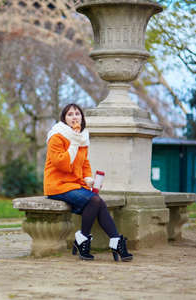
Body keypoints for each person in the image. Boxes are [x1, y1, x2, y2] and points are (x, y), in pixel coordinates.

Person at [43, 103, 133, 262]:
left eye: (77, 114)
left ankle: (105, 240)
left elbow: (84, 164)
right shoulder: (56, 136)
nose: (74, 117)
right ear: (64, 119)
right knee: (95, 201)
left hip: (75, 185)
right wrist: (74, 143)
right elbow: (62, 164)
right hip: (57, 185)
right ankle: (106, 241)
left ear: (82, 118)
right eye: (69, 114)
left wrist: (89, 179)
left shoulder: (82, 136)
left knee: (97, 202)